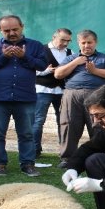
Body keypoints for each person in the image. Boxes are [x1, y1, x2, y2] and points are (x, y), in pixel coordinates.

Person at [0, 15, 47, 177]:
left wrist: (24, 56)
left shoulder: (35, 46)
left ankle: (27, 164)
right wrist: (4, 57)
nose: (11, 33)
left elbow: (42, 65)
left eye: (15, 29)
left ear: (22, 27)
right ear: (0, 30)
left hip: (25, 98)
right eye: (7, 30)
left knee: (26, 133)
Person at [54, 29, 105, 169]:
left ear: (95, 42)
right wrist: (76, 62)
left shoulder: (104, 58)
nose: (86, 45)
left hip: (96, 96)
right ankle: (67, 158)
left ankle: (96, 156)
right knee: (68, 125)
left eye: (89, 42)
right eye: (83, 43)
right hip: (72, 95)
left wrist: (95, 71)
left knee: (97, 127)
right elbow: (58, 74)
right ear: (79, 43)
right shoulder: (71, 58)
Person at [32, 28, 72, 158]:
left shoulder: (71, 53)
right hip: (42, 90)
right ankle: (34, 150)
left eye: (68, 41)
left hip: (62, 91)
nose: (65, 43)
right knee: (38, 120)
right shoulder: (40, 50)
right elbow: (31, 70)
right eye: (63, 40)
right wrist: (46, 71)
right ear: (54, 37)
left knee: (63, 121)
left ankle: (64, 151)